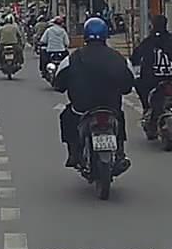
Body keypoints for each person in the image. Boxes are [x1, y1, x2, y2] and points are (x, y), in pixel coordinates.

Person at [52, 17, 134, 169]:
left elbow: (59, 82)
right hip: (110, 106)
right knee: (119, 117)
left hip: (82, 107)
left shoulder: (73, 58)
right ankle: (120, 152)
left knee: (67, 117)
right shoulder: (119, 58)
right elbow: (128, 85)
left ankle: (73, 153)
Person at [130, 15, 172, 115]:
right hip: (169, 80)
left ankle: (146, 109)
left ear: (153, 25)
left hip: (150, 83)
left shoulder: (148, 42)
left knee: (137, 83)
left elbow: (135, 58)